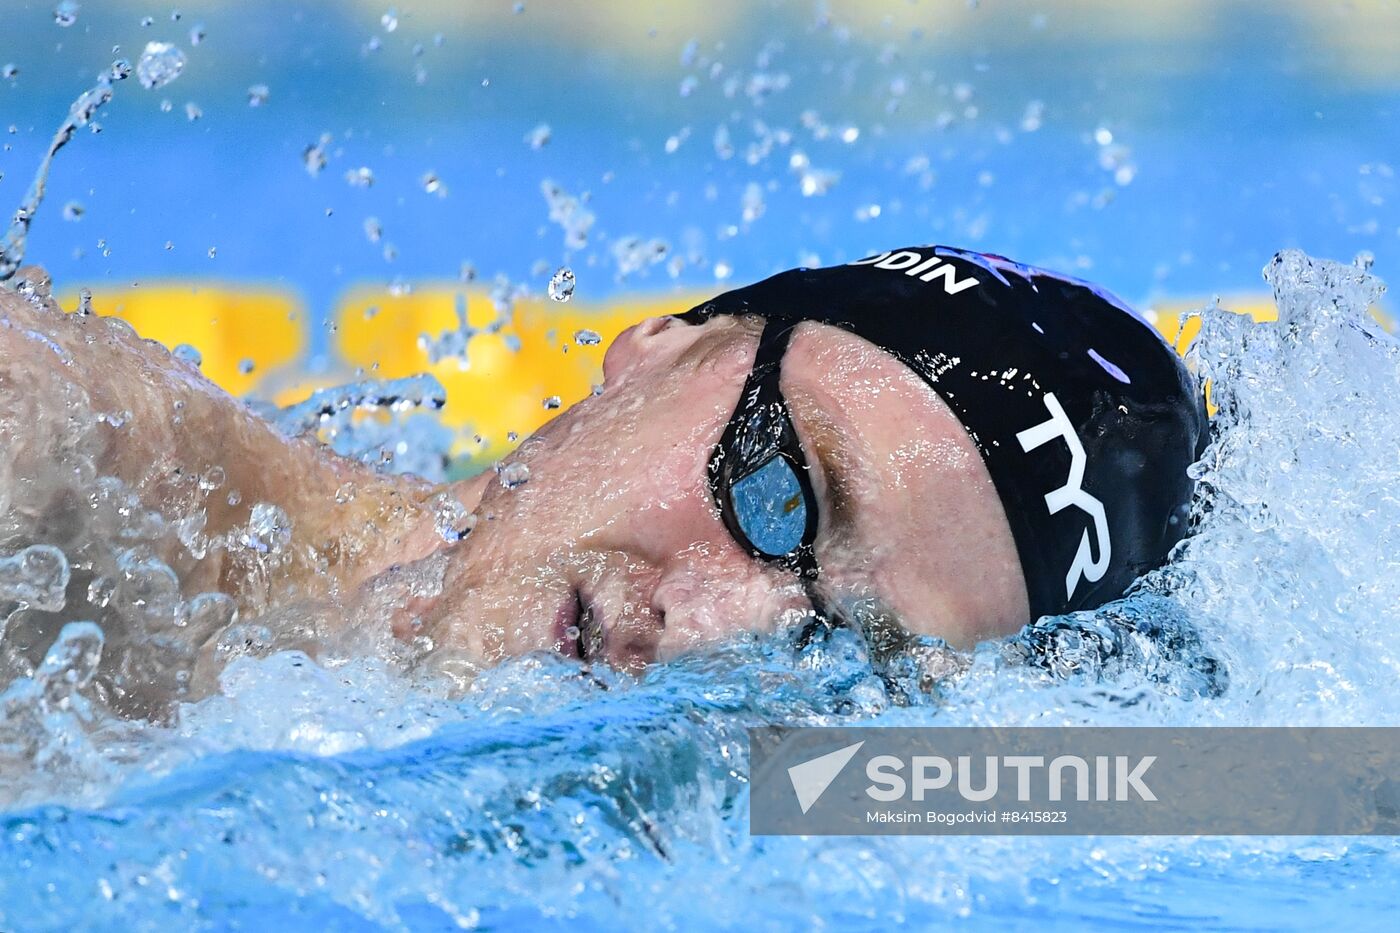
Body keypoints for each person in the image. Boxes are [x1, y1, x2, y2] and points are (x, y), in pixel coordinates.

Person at [0, 246, 1207, 690]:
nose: (716, 630)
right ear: (660, 347)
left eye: (842, 649)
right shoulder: (73, 469)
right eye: (780, 498)